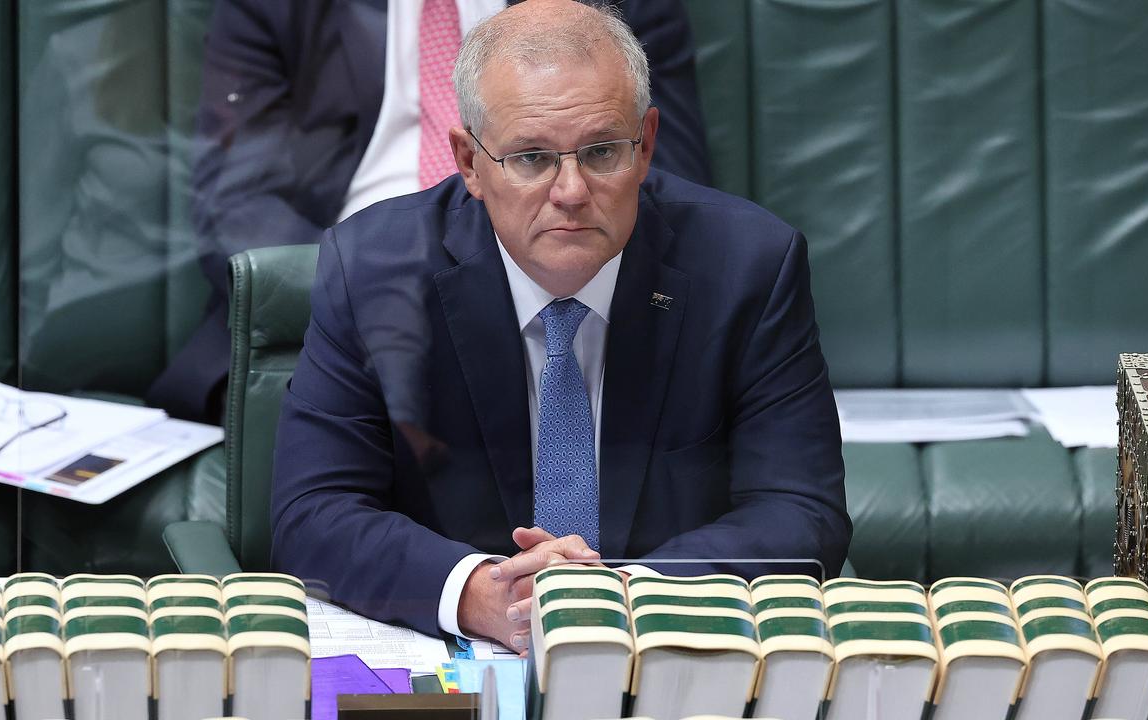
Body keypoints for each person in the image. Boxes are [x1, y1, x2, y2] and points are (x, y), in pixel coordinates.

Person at [271, 0, 850, 651]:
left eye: (602, 152)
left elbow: (802, 514)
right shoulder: (371, 270)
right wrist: (477, 592)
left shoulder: (747, 268)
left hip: (663, 656)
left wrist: (627, 594)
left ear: (647, 145)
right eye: (531, 158)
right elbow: (312, 514)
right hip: (459, 658)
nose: (571, 191)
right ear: (468, 163)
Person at [146, 0, 710, 423]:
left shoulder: (612, 8)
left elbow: (665, 178)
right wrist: (371, 296)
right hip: (337, 300)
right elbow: (240, 201)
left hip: (555, 299)